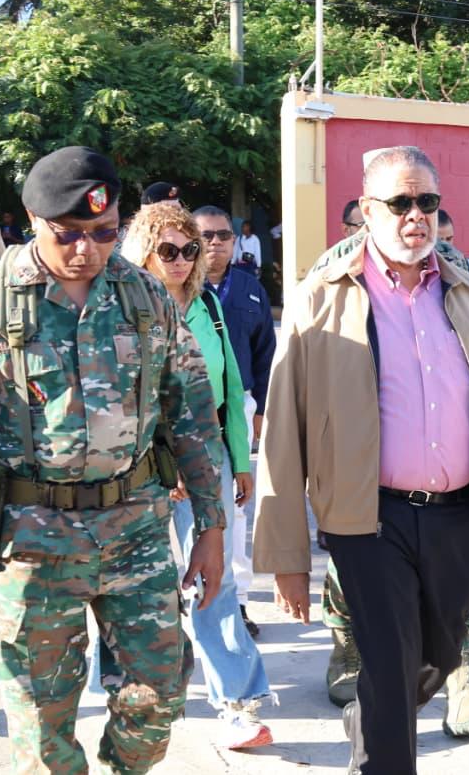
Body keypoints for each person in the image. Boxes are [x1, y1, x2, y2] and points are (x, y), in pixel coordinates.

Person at [0, 146, 228, 773]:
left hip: (135, 531)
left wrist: (212, 528)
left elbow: (191, 414)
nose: (88, 250)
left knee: (158, 701)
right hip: (33, 542)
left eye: (104, 233)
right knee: (42, 731)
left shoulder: (145, 297)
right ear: (32, 220)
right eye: (69, 233)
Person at [256, 145, 469, 773]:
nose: (416, 215)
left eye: (427, 201)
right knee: (388, 659)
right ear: (366, 209)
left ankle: (371, 717)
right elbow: (282, 434)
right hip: (367, 520)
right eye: (400, 202)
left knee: (437, 654)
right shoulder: (322, 298)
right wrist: (286, 558)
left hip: (457, 515)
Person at [119, 202, 274, 749]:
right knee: (142, 584)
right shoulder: (124, 309)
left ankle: (237, 700)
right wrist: (164, 457)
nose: (182, 260)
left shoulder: (208, 304)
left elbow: (230, 388)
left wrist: (241, 461)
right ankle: (140, 691)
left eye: (190, 249)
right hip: (143, 467)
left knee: (217, 578)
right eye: (168, 250)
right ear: (144, 252)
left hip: (208, 460)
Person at [193, 205, 276, 638]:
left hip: (236, 410)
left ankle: (236, 601)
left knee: (236, 508)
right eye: (205, 235)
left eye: (223, 235)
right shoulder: (175, 286)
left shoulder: (248, 288)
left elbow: (266, 353)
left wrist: (260, 409)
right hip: (185, 411)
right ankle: (185, 600)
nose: (215, 243)